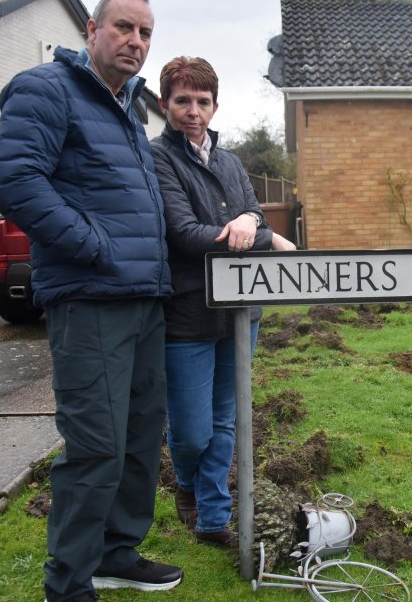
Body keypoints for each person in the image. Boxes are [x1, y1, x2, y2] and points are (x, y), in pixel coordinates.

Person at [0, 0, 182, 602]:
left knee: (140, 438)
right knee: (97, 445)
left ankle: (116, 553)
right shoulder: (46, 89)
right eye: (125, 28)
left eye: (146, 33)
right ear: (93, 28)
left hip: (144, 297)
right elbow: (15, 181)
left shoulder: (129, 107)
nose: (136, 42)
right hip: (91, 297)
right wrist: (93, 244)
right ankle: (68, 583)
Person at [151, 56, 296, 548]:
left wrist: (252, 223)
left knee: (225, 420)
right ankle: (187, 484)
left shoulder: (231, 161)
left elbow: (254, 211)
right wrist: (257, 234)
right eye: (183, 101)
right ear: (164, 103)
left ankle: (213, 519)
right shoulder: (157, 158)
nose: (194, 111)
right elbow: (184, 235)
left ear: (215, 105)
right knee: (191, 431)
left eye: (203, 101)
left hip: (241, 311)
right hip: (188, 313)